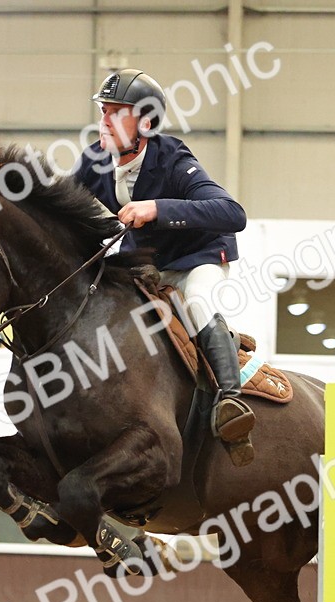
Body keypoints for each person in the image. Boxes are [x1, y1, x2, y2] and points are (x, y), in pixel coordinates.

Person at [73, 68, 256, 466]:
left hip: (198, 258)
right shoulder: (92, 161)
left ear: (146, 122)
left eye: (116, 112)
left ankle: (230, 402)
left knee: (197, 304)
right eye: (104, 110)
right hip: (148, 262)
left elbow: (233, 213)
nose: (104, 120)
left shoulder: (172, 158)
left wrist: (156, 208)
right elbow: (64, 212)